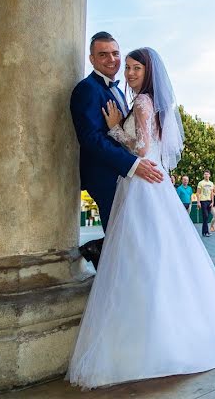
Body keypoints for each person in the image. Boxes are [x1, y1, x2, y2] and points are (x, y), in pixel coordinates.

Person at [67, 47, 215, 389]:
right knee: (155, 253)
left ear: (148, 72)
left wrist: (114, 129)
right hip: (148, 181)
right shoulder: (144, 100)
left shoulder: (142, 102)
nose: (130, 72)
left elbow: (141, 147)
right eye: (129, 67)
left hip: (143, 182)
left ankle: (145, 335)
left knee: (140, 254)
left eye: (136, 67)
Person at [70, 32, 165, 269]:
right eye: (103, 54)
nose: (111, 59)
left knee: (134, 238)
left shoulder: (123, 93)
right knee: (127, 239)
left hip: (127, 174)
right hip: (106, 176)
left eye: (115, 53)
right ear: (91, 59)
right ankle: (104, 257)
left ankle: (101, 250)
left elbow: (131, 136)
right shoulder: (87, 89)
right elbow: (91, 138)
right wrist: (133, 165)